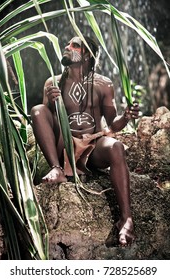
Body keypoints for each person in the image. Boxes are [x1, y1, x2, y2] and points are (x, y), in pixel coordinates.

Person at [31, 36, 139, 246]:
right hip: (64, 146)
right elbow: (46, 121)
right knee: (37, 110)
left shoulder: (104, 84)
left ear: (87, 54)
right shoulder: (52, 82)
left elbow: (112, 125)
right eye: (68, 44)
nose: (67, 47)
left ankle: (126, 219)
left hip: (92, 146)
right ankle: (56, 169)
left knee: (115, 146)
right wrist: (53, 103)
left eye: (74, 45)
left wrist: (126, 117)